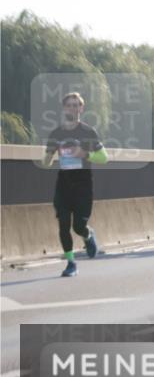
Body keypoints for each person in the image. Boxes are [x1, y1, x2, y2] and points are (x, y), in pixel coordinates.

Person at [42, 92, 108, 277]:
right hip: (63, 184)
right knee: (63, 224)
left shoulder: (88, 132)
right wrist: (48, 156)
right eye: (69, 105)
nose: (72, 108)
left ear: (81, 108)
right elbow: (46, 160)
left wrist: (85, 155)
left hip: (83, 185)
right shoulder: (56, 133)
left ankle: (87, 235)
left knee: (78, 226)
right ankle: (71, 263)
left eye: (75, 105)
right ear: (64, 108)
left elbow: (104, 158)